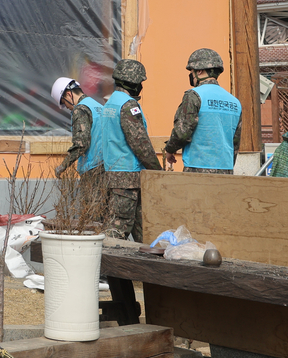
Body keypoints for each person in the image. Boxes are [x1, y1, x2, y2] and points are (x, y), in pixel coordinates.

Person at [95, 59, 162, 241]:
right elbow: (140, 143)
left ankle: (148, 264)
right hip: (128, 177)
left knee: (143, 229)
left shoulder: (110, 104)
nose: (141, 86)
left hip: (113, 174)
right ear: (133, 82)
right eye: (140, 82)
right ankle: (107, 266)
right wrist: (158, 171)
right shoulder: (129, 105)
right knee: (118, 229)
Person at [163, 48, 242, 175]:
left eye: (192, 71)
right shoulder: (234, 102)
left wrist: (170, 150)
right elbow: (235, 142)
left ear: (199, 71)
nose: (191, 75)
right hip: (226, 170)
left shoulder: (194, 95)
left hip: (197, 168)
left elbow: (182, 131)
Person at [51, 77, 106, 178]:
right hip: (107, 167)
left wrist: (63, 166)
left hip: (93, 169)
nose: (66, 107)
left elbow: (81, 144)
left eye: (64, 102)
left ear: (69, 94)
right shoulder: (98, 106)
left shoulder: (80, 110)